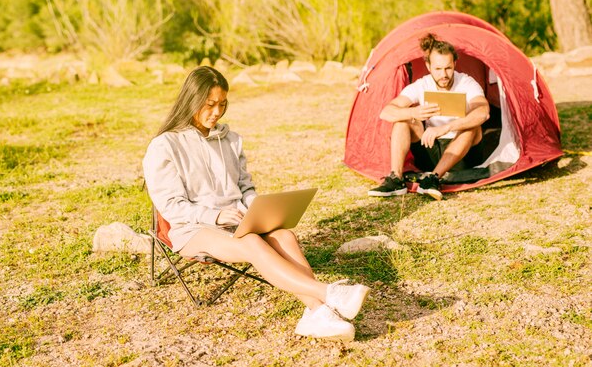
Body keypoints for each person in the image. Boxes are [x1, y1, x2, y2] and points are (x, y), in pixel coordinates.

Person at [143, 66, 370, 341]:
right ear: (192, 100)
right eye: (210, 104)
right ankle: (328, 295)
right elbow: (171, 206)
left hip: (237, 222)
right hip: (192, 229)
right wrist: (215, 216)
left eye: (222, 104)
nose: (216, 112)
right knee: (252, 243)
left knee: (285, 235)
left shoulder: (230, 140)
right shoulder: (165, 145)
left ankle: (317, 314)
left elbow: (245, 187)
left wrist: (255, 207)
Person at [368, 34, 490, 200]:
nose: (444, 75)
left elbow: (483, 112)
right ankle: (396, 179)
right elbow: (386, 112)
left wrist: (446, 128)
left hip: (462, 154)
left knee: (472, 127)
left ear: (455, 63)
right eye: (438, 69)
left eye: (448, 68)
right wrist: (413, 113)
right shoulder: (422, 85)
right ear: (428, 66)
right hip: (431, 148)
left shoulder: (467, 83)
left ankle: (433, 178)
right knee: (403, 120)